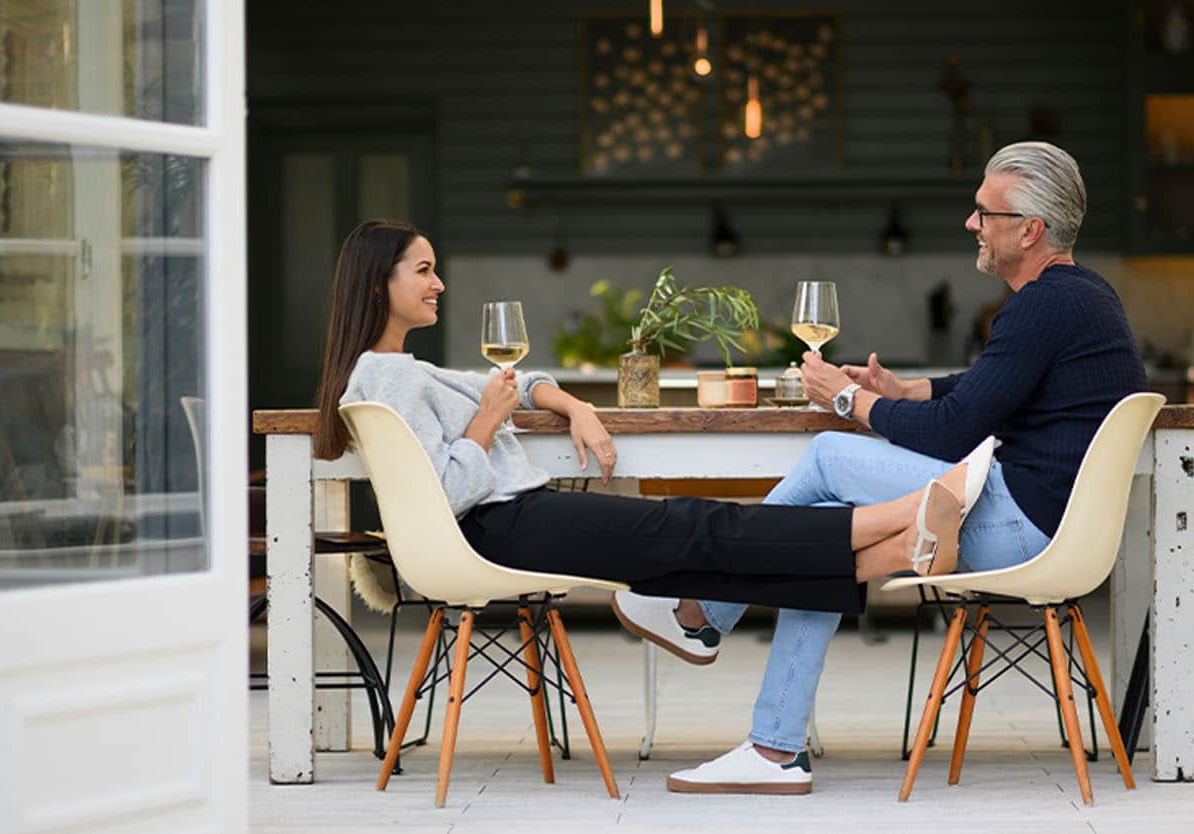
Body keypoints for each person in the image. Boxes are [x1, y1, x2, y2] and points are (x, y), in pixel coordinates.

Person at [612, 141, 1149, 795]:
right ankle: (773, 748)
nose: (971, 224)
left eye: (984, 212)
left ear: (1029, 230)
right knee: (825, 535)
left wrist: (848, 399)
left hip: (1026, 525)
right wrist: (902, 391)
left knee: (829, 454)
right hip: (1045, 518)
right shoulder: (1080, 297)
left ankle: (701, 611)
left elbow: (956, 432)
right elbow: (984, 385)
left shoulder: (1042, 305)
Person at [312, 220, 990, 618]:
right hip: (497, 529)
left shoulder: (401, 370)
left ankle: (902, 549)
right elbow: (444, 493)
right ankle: (906, 515)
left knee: (695, 559)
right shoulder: (385, 377)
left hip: (512, 522)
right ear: (381, 285)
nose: (438, 284)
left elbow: (522, 383)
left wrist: (573, 405)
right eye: (423, 271)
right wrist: (485, 424)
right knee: (698, 526)